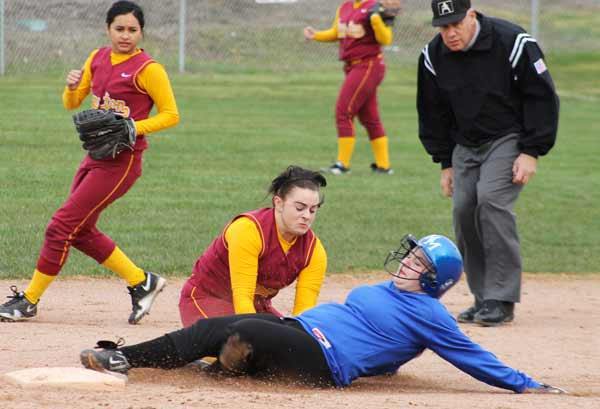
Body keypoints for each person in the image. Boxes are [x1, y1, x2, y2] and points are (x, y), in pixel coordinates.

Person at [80, 234, 564, 394]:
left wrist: (525, 384)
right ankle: (129, 359)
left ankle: (239, 360)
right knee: (215, 325)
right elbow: (385, 344)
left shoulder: (432, 316)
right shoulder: (387, 289)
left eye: (419, 262)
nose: (407, 262)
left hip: (323, 361)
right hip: (302, 331)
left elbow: (470, 355)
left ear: (435, 281)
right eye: (411, 253)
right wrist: (388, 364)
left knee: (246, 329)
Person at [0, 1, 180, 324]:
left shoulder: (148, 69)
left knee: (59, 227)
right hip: (94, 157)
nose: (126, 36)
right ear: (107, 29)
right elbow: (72, 102)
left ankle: (29, 299)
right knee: (79, 232)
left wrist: (134, 126)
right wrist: (70, 86)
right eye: (119, 28)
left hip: (122, 162)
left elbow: (171, 115)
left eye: (132, 30)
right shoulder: (97, 59)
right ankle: (143, 282)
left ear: (142, 32)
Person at [416, 0, 559, 326]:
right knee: (464, 209)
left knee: (492, 201)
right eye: (443, 27)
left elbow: (542, 96)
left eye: (455, 24)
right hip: (465, 144)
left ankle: (501, 298)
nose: (449, 33)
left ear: (471, 15)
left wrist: (531, 150)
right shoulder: (433, 56)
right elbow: (432, 112)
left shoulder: (513, 42)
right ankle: (483, 298)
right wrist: (445, 162)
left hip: (508, 137)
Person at [178, 166, 328, 327]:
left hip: (257, 308)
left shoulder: (314, 251)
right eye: (300, 208)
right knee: (229, 350)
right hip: (208, 298)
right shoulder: (248, 230)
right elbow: (243, 299)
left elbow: (303, 314)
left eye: (313, 210)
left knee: (290, 347)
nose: (306, 216)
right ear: (278, 203)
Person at [304, 0, 400, 175]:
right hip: (353, 66)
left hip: (368, 64)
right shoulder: (345, 7)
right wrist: (315, 35)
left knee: (344, 111)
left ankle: (342, 164)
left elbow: (386, 39)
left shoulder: (375, 6)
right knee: (370, 117)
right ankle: (384, 166)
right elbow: (337, 32)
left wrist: (377, 20)